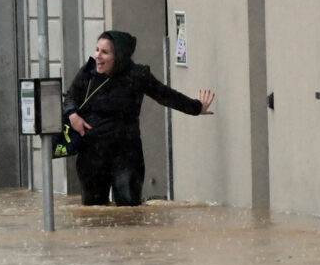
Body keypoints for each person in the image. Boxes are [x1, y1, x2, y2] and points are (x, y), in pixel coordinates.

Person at [63, 30, 215, 207]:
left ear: (118, 55)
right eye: (97, 50)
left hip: (126, 153)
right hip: (92, 153)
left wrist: (196, 108)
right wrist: (73, 115)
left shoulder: (137, 75)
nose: (98, 56)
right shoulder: (88, 72)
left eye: (105, 52)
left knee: (129, 211)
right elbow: (70, 97)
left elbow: (165, 95)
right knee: (95, 212)